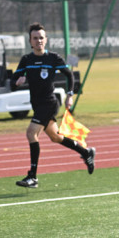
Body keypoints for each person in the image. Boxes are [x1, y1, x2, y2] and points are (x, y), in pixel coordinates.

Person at [12, 23, 93, 188]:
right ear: (30, 41)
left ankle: (32, 176)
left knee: (31, 133)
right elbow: (13, 81)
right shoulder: (26, 60)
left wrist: (70, 95)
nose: (38, 41)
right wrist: (17, 82)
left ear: (46, 40)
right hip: (37, 105)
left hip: (49, 103)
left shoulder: (53, 58)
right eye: (35, 38)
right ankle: (86, 152)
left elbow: (70, 75)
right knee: (55, 137)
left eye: (41, 38)